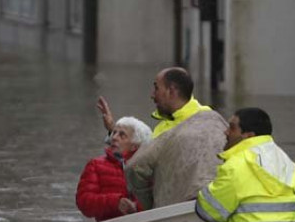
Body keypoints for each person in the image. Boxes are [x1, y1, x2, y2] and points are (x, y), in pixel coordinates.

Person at [97, 67, 227, 209]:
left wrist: (147, 206)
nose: (152, 95)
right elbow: (139, 153)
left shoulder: (205, 121)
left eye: (156, 88)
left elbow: (137, 165)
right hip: (181, 210)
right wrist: (113, 130)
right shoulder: (166, 126)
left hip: (191, 207)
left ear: (171, 91)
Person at [76, 116, 152, 221]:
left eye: (122, 135)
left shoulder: (148, 168)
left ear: (134, 146)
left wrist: (136, 207)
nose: (114, 137)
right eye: (114, 133)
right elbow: (84, 202)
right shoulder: (95, 165)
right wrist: (115, 202)